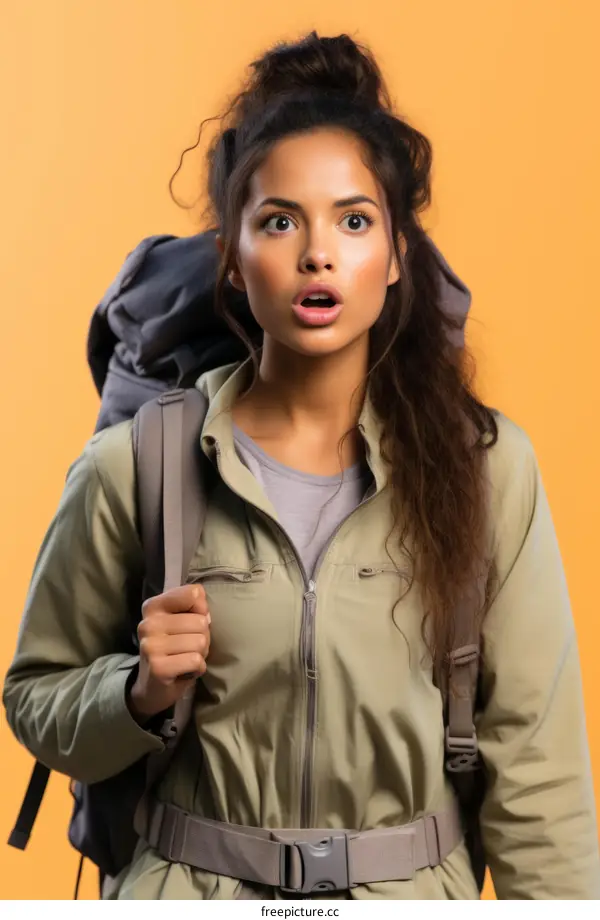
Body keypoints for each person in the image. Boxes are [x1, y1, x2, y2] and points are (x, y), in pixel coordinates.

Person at [3, 31, 599, 900]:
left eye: (354, 221)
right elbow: (35, 699)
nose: (317, 253)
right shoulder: (138, 463)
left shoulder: (485, 468)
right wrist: (136, 691)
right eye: (279, 221)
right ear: (234, 263)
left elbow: (541, 777)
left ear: (397, 256)